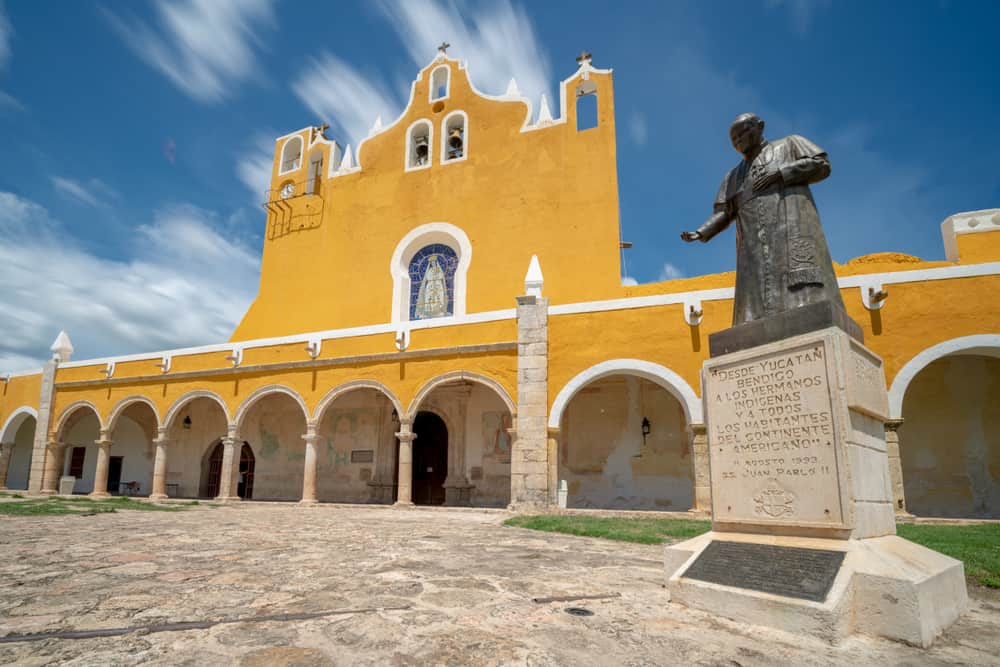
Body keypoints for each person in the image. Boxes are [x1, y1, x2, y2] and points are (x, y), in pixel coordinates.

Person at [681, 113, 845, 325]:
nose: (739, 142)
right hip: (753, 248)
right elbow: (725, 212)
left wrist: (780, 173)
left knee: (804, 294)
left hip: (789, 232)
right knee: (754, 303)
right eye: (734, 141)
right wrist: (701, 232)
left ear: (760, 126)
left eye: (742, 134)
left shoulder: (789, 145)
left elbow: (821, 164)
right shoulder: (733, 176)